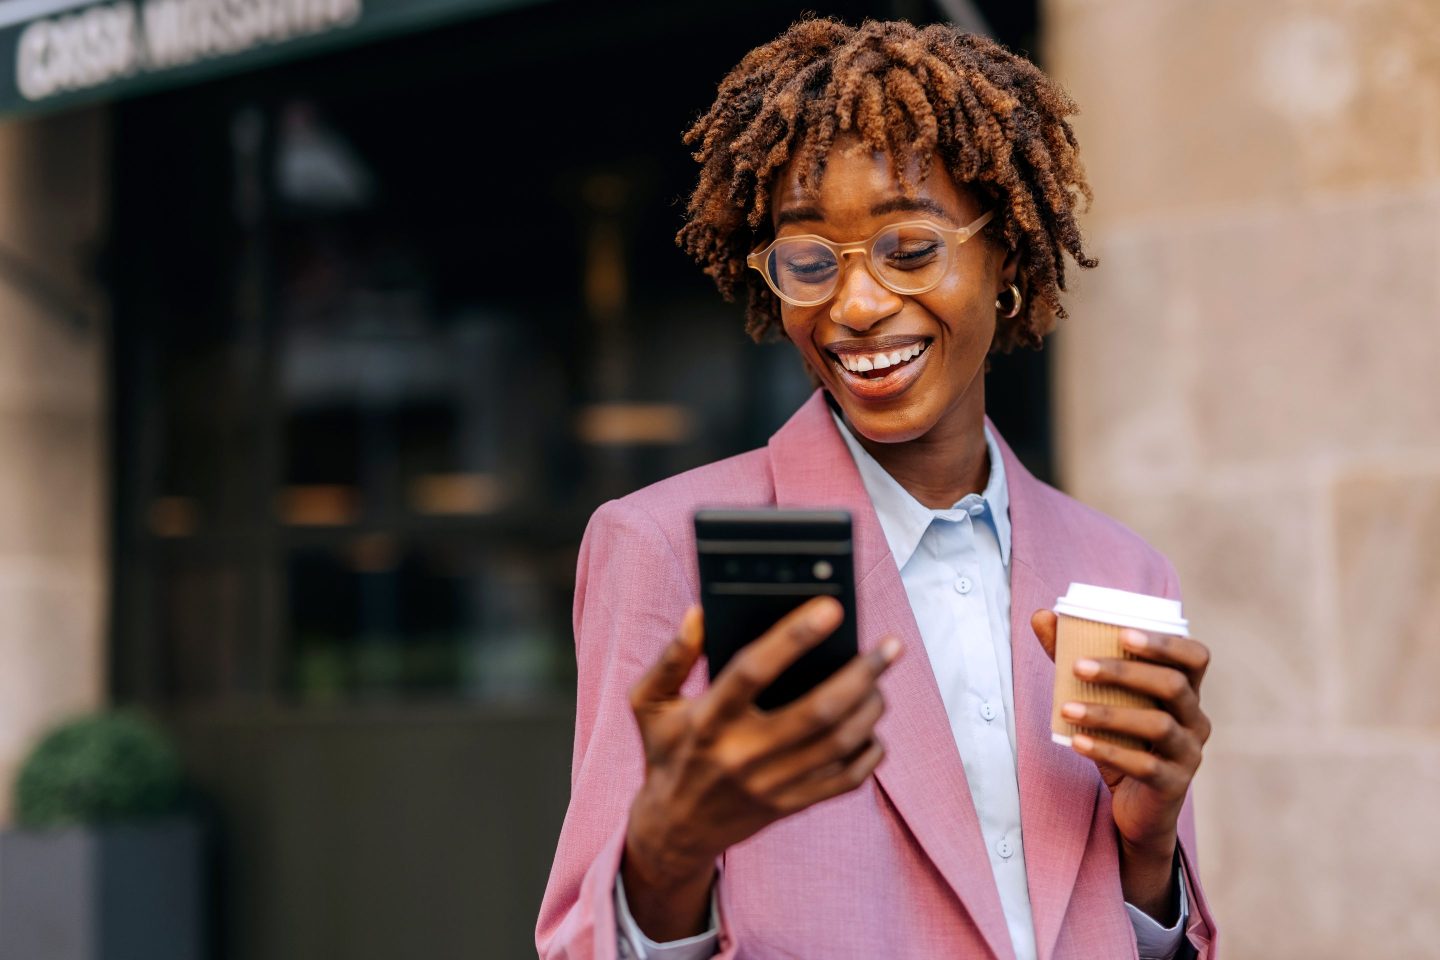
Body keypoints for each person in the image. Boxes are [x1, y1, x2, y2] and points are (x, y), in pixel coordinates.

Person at [537, 18, 1218, 960]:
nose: (854, 307)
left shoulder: (1120, 568)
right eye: (809, 261)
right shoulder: (665, 550)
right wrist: (664, 857)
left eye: (909, 248)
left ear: (1007, 262)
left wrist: (1149, 858)